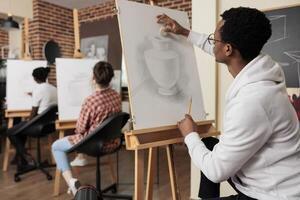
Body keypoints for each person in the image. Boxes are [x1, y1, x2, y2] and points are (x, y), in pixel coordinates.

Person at [157, 7, 300, 200]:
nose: (211, 43)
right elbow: (217, 48)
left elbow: (216, 171)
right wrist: (184, 32)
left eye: (213, 39)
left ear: (228, 49)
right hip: (269, 174)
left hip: (272, 194)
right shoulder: (262, 66)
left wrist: (190, 134)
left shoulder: (253, 100)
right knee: (207, 144)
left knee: (206, 155)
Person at [51, 61, 121, 196]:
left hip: (95, 145)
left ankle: (72, 183)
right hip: (113, 142)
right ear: (111, 78)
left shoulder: (91, 100)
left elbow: (80, 129)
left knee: (56, 146)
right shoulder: (116, 96)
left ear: (93, 78)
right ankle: (78, 166)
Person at [8, 67, 57, 167]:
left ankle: (26, 156)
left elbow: (33, 113)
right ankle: (19, 157)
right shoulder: (54, 89)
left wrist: (27, 120)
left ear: (34, 78)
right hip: (50, 126)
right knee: (21, 130)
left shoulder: (38, 90)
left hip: (38, 126)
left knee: (10, 132)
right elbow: (46, 103)